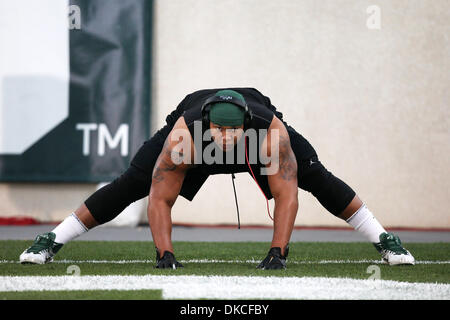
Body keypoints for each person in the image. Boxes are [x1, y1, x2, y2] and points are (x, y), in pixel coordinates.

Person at [19, 88, 415, 269]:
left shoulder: (271, 136)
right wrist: (164, 253)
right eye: (218, 132)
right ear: (206, 126)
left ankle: (384, 238)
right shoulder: (183, 137)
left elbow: (287, 194)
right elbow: (159, 199)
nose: (225, 139)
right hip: (193, 145)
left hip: (260, 141)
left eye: (233, 132)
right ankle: (53, 239)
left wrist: (279, 250)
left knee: (316, 176)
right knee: (131, 184)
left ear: (247, 126)